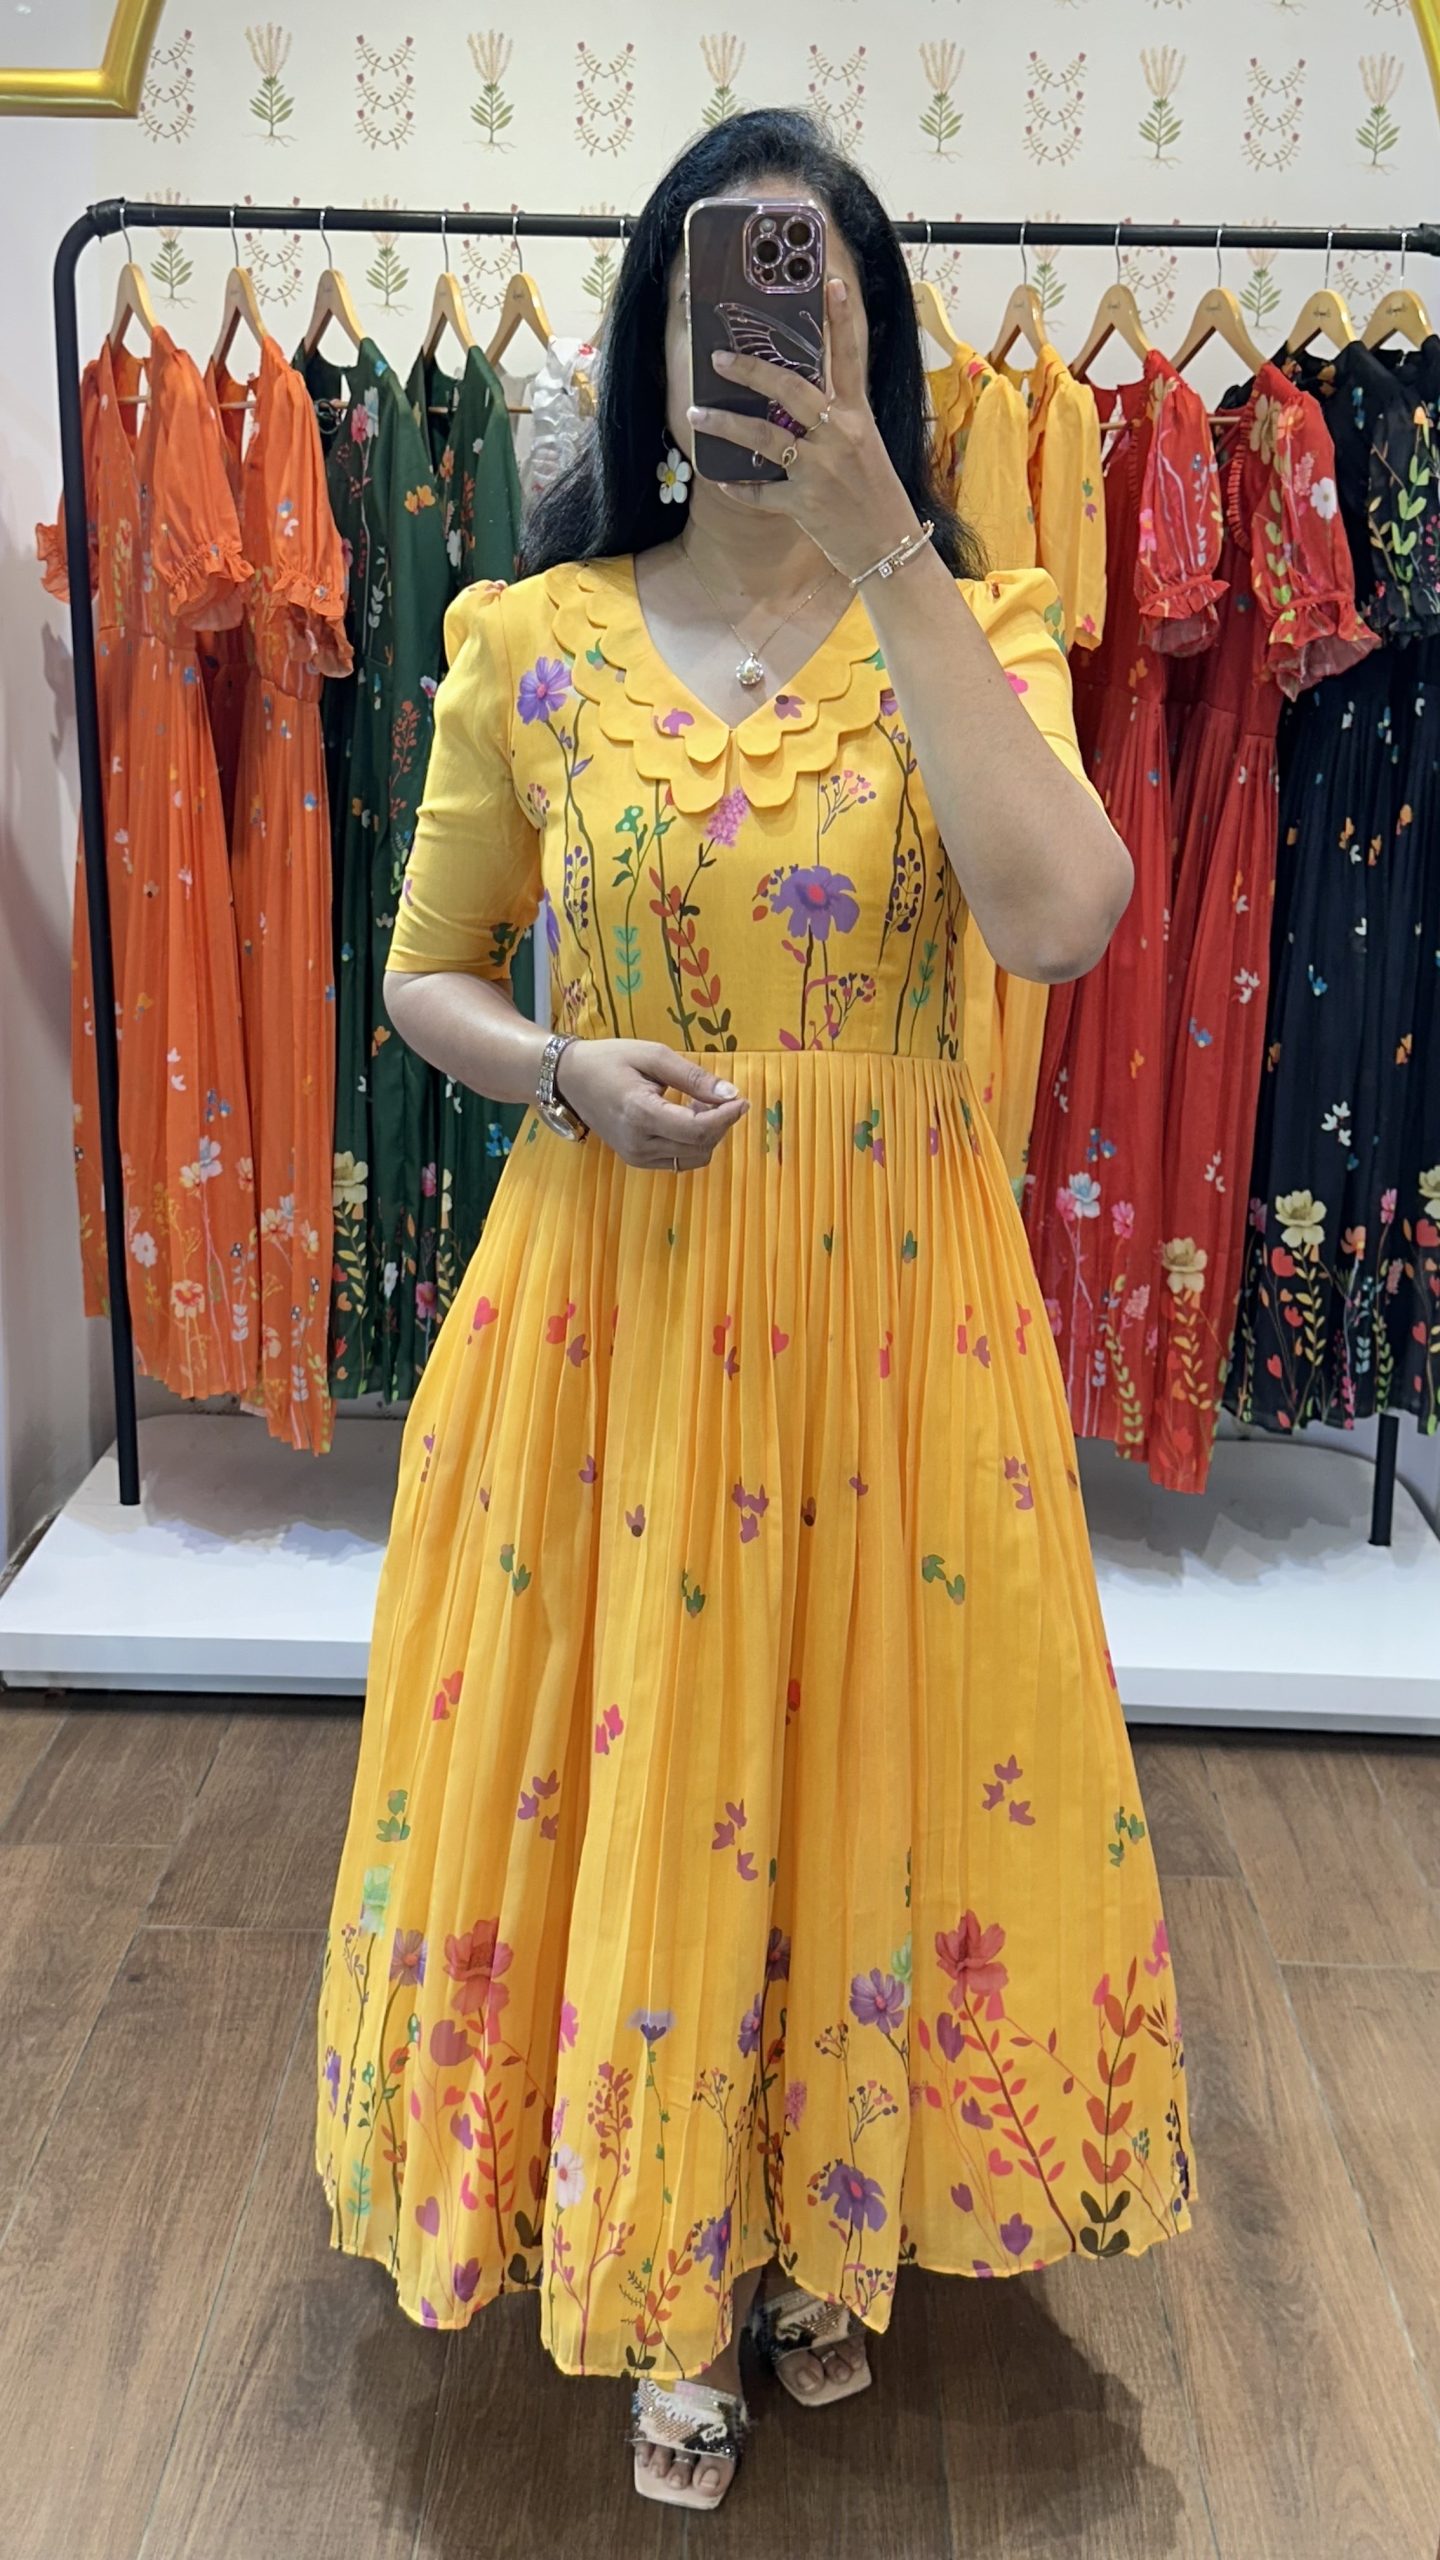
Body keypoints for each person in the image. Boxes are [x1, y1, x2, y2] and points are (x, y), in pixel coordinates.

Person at [314, 107, 1196, 2515]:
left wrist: (895, 543)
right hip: (615, 1295)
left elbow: (1061, 920)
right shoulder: (536, 641)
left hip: (900, 1321)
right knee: (646, 1759)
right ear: (662, 332)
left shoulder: (980, 625)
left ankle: (824, 2208)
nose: (773, 348)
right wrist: (560, 1069)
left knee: (860, 1751)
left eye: (824, 303)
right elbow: (425, 971)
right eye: (733, 297)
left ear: (877, 345)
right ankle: (665, 2264)